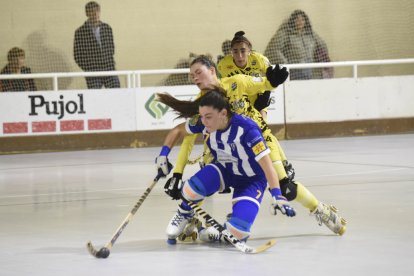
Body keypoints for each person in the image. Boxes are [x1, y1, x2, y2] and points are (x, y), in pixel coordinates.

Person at [158, 55, 347, 241]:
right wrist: (177, 173)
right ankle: (189, 215)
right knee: (200, 184)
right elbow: (187, 138)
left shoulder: (237, 82)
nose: (195, 78)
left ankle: (321, 210)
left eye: (198, 72)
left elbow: (264, 85)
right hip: (226, 150)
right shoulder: (202, 104)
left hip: (257, 140)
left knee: (285, 188)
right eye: (192, 76)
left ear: (212, 70)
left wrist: (272, 82)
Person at [156, 89, 296, 243]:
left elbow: (267, 165)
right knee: (189, 190)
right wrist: (163, 154)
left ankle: (220, 232)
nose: (203, 121)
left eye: (208, 117)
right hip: (224, 170)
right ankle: (184, 213)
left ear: (223, 113)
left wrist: (277, 194)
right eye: (202, 116)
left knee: (238, 233)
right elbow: (177, 130)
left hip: (252, 180)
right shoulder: (204, 123)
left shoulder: (248, 129)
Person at [264, 9, 333, 80]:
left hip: (311, 70)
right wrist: (286, 64)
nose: (300, 22)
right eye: (297, 20)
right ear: (292, 21)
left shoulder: (310, 34)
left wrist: (321, 56)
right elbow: (273, 50)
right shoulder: (284, 34)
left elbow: (322, 45)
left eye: (302, 20)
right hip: (294, 71)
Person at [218, 31, 272, 120]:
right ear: (231, 51)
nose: (239, 56)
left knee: (261, 126)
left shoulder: (259, 59)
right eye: (235, 51)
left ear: (249, 51)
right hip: (238, 98)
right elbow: (220, 86)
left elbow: (272, 77)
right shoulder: (223, 65)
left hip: (258, 96)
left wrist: (266, 96)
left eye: (243, 51)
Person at [73, 1, 120, 89]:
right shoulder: (80, 32)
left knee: (116, 94)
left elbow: (111, 49)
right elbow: (77, 55)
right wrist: (88, 68)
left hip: (109, 69)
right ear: (87, 13)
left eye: (97, 11)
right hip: (92, 72)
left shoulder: (107, 28)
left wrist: (108, 62)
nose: (95, 13)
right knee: (95, 98)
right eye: (92, 11)